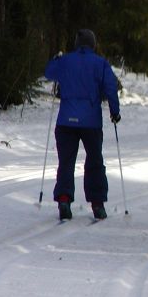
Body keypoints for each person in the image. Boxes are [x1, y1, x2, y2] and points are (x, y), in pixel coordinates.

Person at [45, 29, 121, 220]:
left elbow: (49, 72)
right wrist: (114, 111)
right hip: (91, 122)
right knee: (95, 161)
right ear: (93, 44)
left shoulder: (65, 61)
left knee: (66, 161)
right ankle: (97, 204)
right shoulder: (100, 63)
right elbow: (111, 87)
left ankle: (64, 199)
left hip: (66, 121)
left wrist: (56, 58)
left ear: (76, 44)